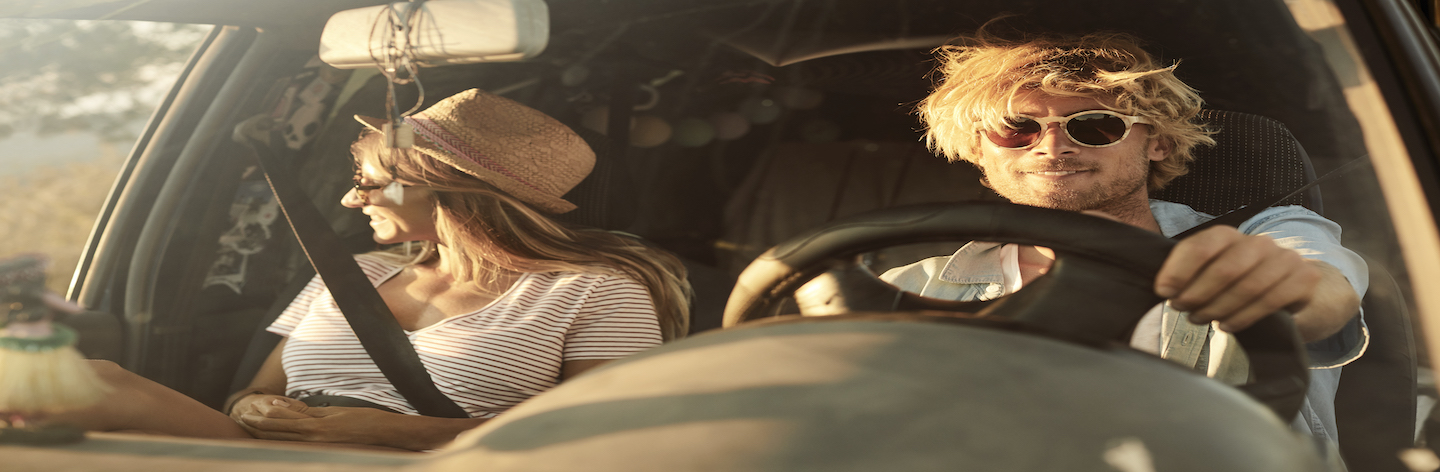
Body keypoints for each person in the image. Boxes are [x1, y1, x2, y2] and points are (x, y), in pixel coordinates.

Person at [57, 88, 692, 451]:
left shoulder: (598, 291)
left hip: (428, 465)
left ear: (440, 185)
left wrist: (383, 430)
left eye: (368, 180)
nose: (349, 198)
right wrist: (253, 410)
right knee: (85, 379)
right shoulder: (353, 271)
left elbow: (607, 438)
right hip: (266, 458)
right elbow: (250, 395)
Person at [883, 32, 1368, 452]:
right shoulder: (906, 290)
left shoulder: (1266, 233)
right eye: (1017, 129)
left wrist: (1288, 289)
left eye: (1094, 125)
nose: (1051, 147)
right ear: (978, 152)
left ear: (1157, 142)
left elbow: (1319, 284)